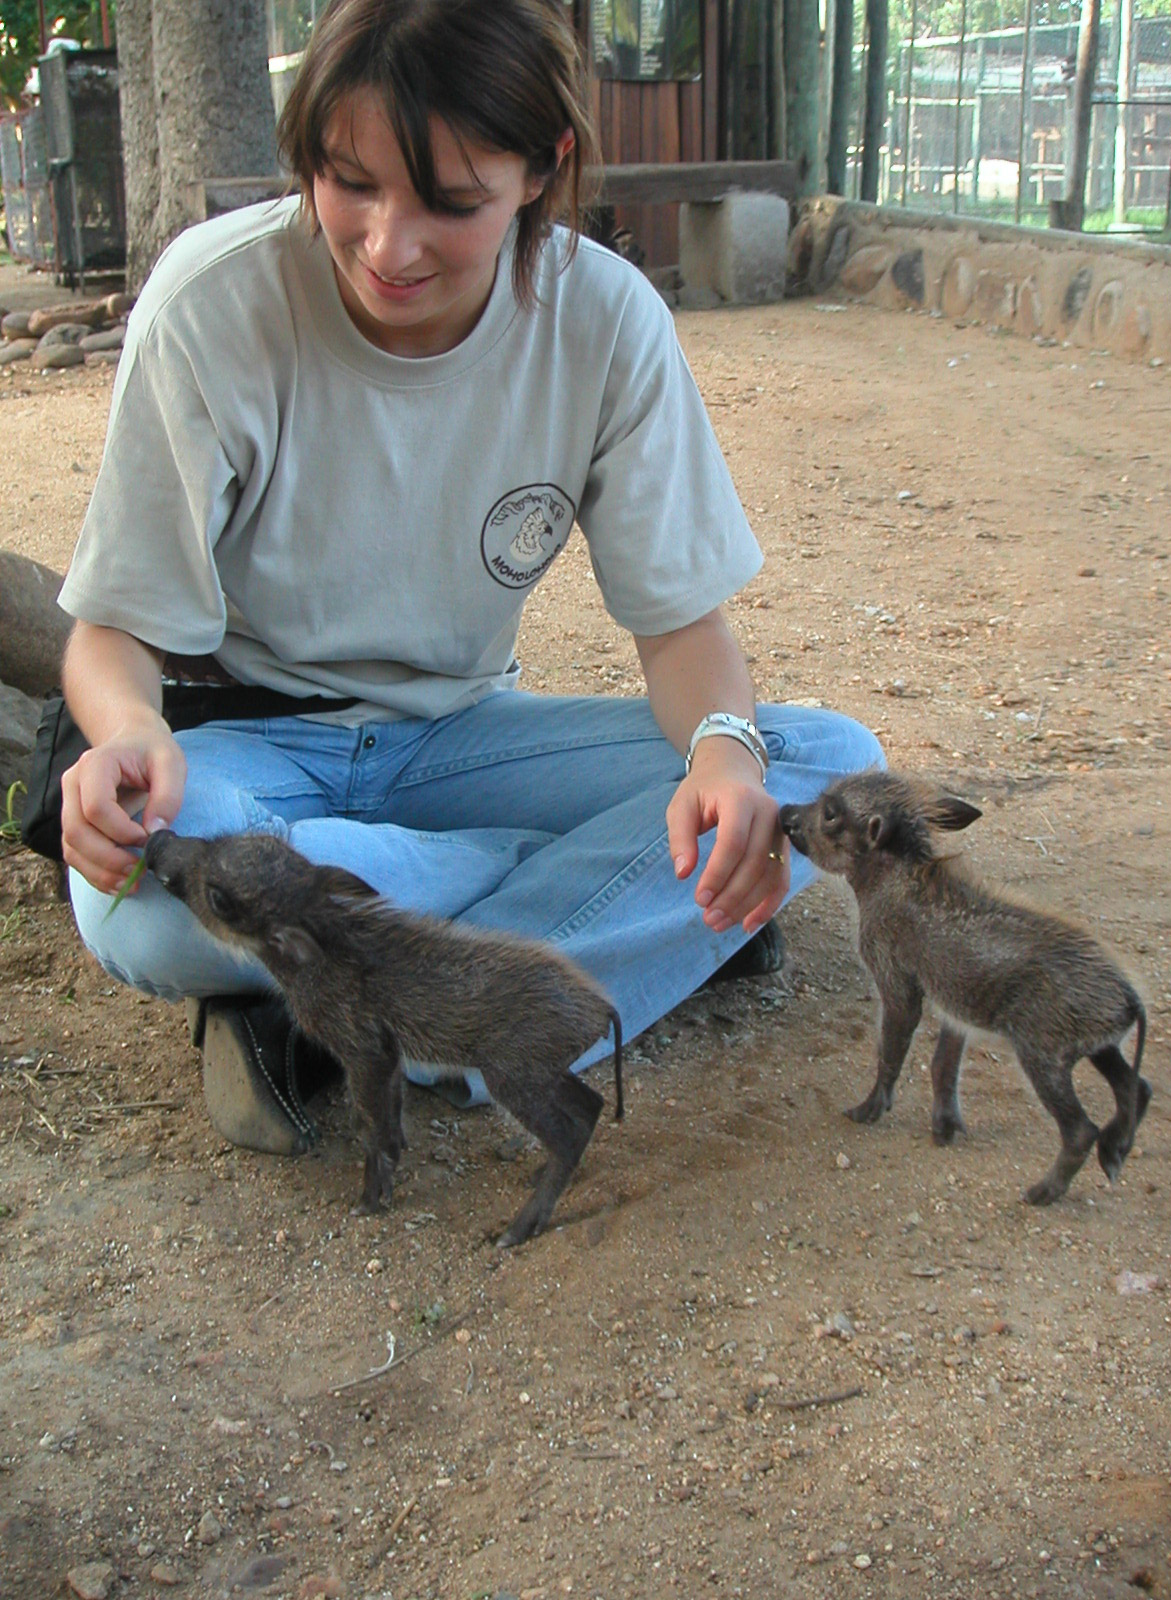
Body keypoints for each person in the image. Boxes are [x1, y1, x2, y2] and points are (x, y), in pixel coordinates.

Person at [57, 0, 882, 1155]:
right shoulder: (212, 302)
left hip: (461, 737)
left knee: (826, 768)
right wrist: (127, 732)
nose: (391, 246)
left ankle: (384, 1012)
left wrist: (726, 757)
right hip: (254, 751)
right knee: (142, 900)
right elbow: (109, 637)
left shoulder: (604, 320)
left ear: (543, 172)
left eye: (451, 202)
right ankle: (538, 920)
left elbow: (683, 631)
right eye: (350, 184)